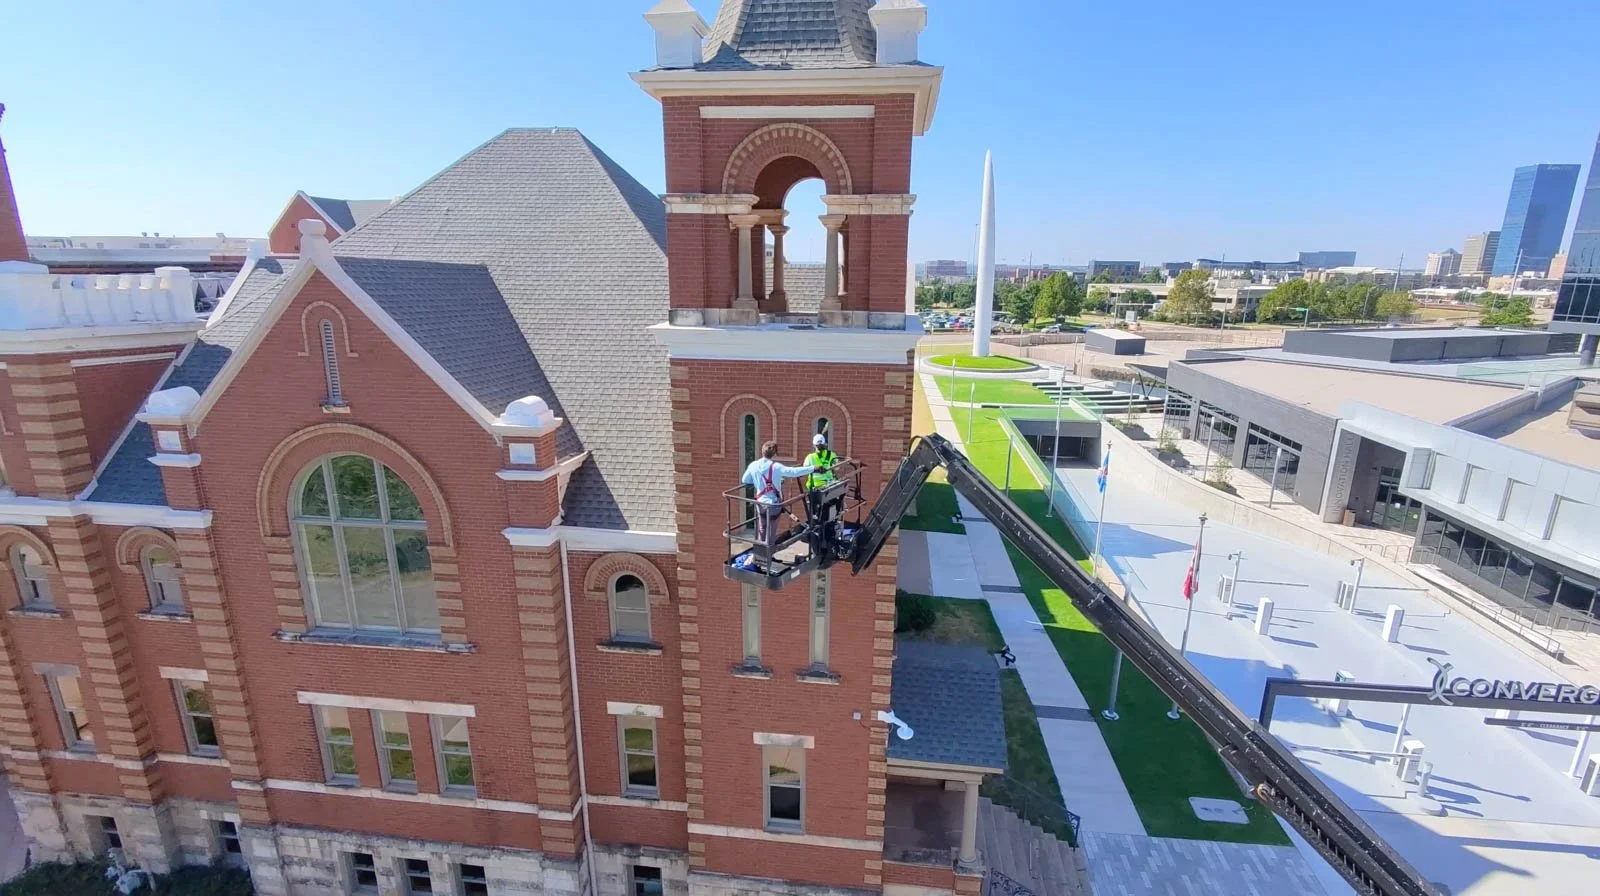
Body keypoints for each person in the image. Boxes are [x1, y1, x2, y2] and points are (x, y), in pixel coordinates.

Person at [742, 441, 814, 553]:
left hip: (760, 502)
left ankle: (759, 553)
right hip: (773, 505)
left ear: (762, 452)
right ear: (775, 453)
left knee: (762, 528)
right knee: (771, 531)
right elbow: (793, 472)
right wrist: (813, 468)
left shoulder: (753, 465)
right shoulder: (776, 467)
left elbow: (745, 480)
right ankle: (767, 554)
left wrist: (759, 482)